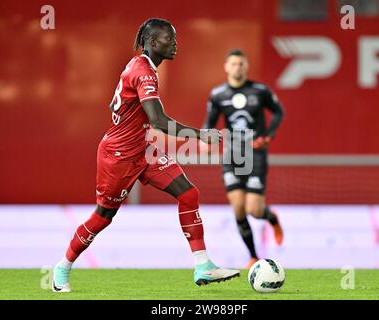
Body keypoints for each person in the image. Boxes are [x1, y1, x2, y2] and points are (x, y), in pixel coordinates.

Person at [52, 18, 240, 292]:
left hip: (143, 149)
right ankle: (62, 267)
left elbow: (118, 104)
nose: (175, 44)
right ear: (152, 42)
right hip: (118, 157)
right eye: (169, 39)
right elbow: (159, 121)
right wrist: (201, 134)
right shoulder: (144, 71)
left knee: (188, 193)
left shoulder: (139, 66)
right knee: (103, 217)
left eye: (175, 38)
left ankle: (203, 266)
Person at [202, 49, 285, 269]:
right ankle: (253, 257)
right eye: (234, 64)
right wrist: (206, 141)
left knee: (254, 210)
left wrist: (268, 135)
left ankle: (271, 218)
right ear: (226, 67)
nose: (237, 67)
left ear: (246, 67)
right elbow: (208, 123)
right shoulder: (218, 94)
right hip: (232, 155)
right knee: (238, 208)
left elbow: (278, 111)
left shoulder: (259, 91)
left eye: (241, 64)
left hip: (255, 155)